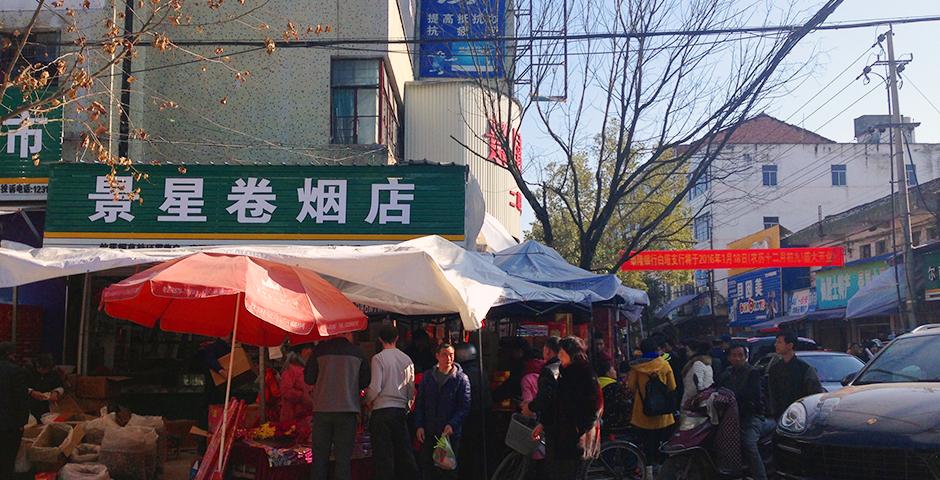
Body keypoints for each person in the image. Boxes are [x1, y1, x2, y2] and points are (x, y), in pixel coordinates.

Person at [532, 337, 601, 480]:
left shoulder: (584, 372)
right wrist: (543, 423)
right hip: (561, 435)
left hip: (575, 437)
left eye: (562, 353)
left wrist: (581, 428)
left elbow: (595, 405)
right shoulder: (565, 372)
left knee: (571, 473)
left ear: (572, 354)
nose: (559, 357)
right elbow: (556, 402)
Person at [305, 334, 370, 480]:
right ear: (348, 333)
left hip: (322, 410)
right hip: (347, 411)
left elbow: (308, 378)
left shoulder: (319, 350)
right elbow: (365, 381)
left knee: (319, 459)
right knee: (343, 460)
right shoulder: (358, 353)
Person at [365, 325, 419, 480]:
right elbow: (411, 388)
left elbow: (375, 387)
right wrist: (407, 406)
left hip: (381, 411)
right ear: (397, 338)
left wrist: (367, 401)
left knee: (383, 456)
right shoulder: (406, 359)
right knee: (403, 453)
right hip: (400, 410)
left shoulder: (378, 358)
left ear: (380, 339)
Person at [415, 343, 471, 480]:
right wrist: (419, 425)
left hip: (449, 433)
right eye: (445, 354)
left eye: (451, 355)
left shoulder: (461, 379)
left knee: (448, 470)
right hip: (429, 431)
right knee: (428, 468)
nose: (448, 358)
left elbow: (464, 406)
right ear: (437, 356)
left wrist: (452, 424)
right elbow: (420, 403)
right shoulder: (428, 377)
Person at [720, 343, 774, 480]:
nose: (737, 358)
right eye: (734, 355)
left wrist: (732, 397)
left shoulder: (752, 373)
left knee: (749, 444)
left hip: (750, 417)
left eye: (740, 355)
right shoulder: (727, 373)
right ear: (729, 357)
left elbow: (751, 395)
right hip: (729, 417)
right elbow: (718, 388)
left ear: (745, 357)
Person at [627, 338, 677, 466]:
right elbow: (672, 386)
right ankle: (661, 470)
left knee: (647, 446)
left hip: (643, 413)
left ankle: (648, 471)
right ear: (656, 349)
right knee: (662, 445)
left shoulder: (636, 367)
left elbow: (631, 387)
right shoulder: (664, 364)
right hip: (663, 414)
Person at [767, 332, 824, 418]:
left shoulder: (805, 369)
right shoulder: (774, 369)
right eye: (776, 342)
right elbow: (771, 395)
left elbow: (815, 394)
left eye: (779, 342)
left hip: (801, 414)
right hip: (779, 415)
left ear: (790, 345)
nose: (776, 345)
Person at [454, 341, 489, 480]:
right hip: (483, 413)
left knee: (467, 450)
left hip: (469, 415)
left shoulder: (463, 373)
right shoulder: (481, 370)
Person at [0, 342, 29, 479]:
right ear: (10, 354)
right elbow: (21, 399)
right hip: (9, 425)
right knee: (7, 460)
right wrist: (21, 423)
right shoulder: (16, 371)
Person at [521, 336, 561, 420]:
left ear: (548, 351)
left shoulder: (548, 370)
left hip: (551, 420)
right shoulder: (565, 367)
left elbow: (544, 397)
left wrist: (529, 407)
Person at [280, 345, 314, 424]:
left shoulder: (308, 368)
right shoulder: (290, 369)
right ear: (299, 352)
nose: (310, 351)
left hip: (307, 416)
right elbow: (285, 390)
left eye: (311, 348)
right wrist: (302, 396)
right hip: (292, 417)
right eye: (306, 348)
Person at [595, 360, 631, 432]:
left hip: (603, 423)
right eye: (613, 369)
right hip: (617, 423)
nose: (615, 371)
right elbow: (623, 406)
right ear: (607, 373)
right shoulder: (614, 387)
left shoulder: (596, 386)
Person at [28, 354, 64, 418]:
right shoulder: (28, 372)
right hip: (30, 404)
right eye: (41, 368)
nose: (44, 371)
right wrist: (32, 392)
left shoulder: (53, 373)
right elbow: (21, 387)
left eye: (46, 369)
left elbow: (60, 386)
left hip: (48, 405)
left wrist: (56, 392)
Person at [680, 340, 714, 409]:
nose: (687, 353)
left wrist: (690, 401)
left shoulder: (697, 364)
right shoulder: (706, 363)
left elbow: (699, 385)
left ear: (695, 351)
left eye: (688, 350)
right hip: (703, 402)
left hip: (695, 404)